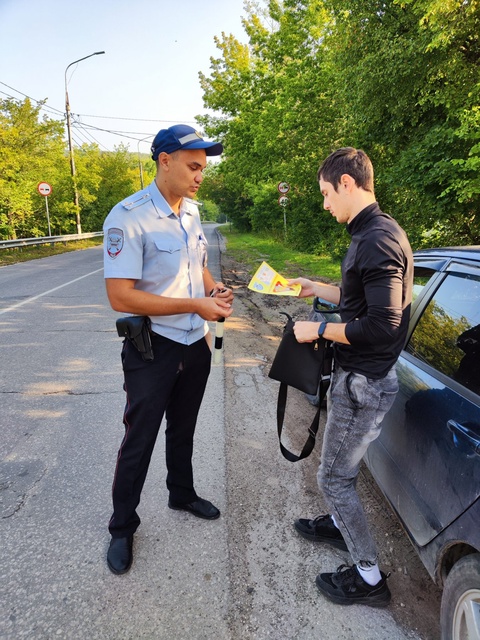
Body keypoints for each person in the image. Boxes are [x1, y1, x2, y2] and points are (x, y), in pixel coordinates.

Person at [103, 124, 234, 575]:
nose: (201, 175)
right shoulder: (128, 216)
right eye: (194, 166)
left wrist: (215, 292)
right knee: (139, 438)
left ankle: (182, 493)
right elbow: (120, 296)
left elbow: (198, 266)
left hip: (194, 342)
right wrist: (193, 303)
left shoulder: (193, 214)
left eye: (204, 168)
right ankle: (122, 527)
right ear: (165, 161)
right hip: (151, 347)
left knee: (184, 429)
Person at [289, 147, 413, 607]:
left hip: (364, 383)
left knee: (333, 479)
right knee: (340, 471)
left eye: (325, 193)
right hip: (360, 378)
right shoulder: (372, 233)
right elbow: (363, 300)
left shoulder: (377, 239)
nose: (324, 205)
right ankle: (341, 525)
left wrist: (318, 328)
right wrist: (318, 289)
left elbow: (384, 325)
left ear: (347, 183)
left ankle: (368, 577)